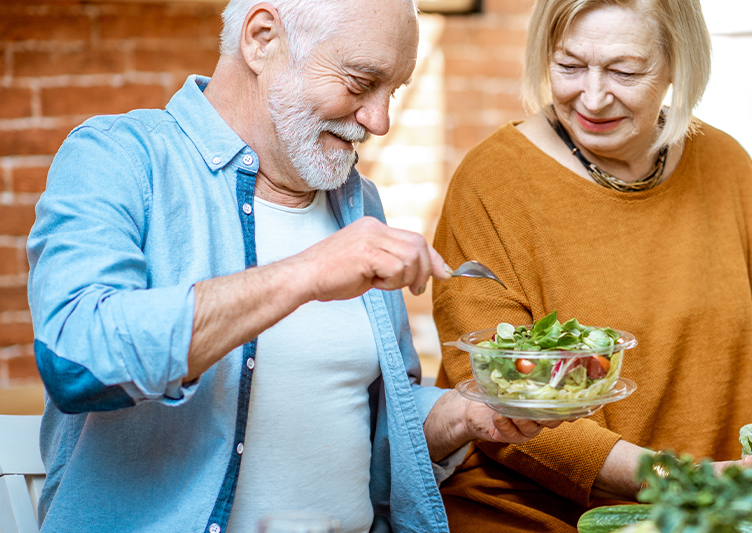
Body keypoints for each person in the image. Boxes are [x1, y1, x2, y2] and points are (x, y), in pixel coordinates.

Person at [25, 1, 558, 532]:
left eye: (391, 91)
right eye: (359, 81)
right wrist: (304, 273)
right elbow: (76, 359)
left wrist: (467, 415)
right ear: (261, 39)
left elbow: (363, 428)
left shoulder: (357, 203)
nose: (380, 121)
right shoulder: (119, 158)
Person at [430, 0, 752, 531]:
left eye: (625, 71)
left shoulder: (727, 166)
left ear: (678, 63)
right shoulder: (493, 180)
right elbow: (496, 399)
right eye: (569, 65)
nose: (594, 96)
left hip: (706, 513)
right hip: (533, 517)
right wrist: (674, 478)